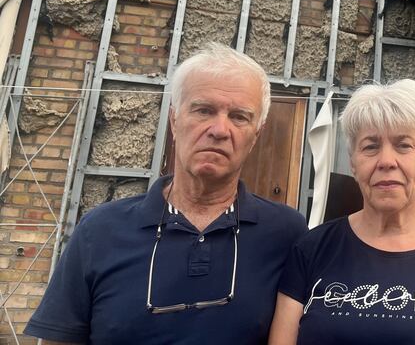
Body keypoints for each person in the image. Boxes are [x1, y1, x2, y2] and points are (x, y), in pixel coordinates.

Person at [25, 43, 307, 344]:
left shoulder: (286, 233)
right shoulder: (100, 230)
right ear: (174, 120)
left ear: (256, 135)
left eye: (239, 117)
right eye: (203, 110)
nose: (220, 130)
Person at [269, 79, 415, 345]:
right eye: (370, 146)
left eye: (403, 145)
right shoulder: (311, 250)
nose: (386, 161)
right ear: (353, 163)